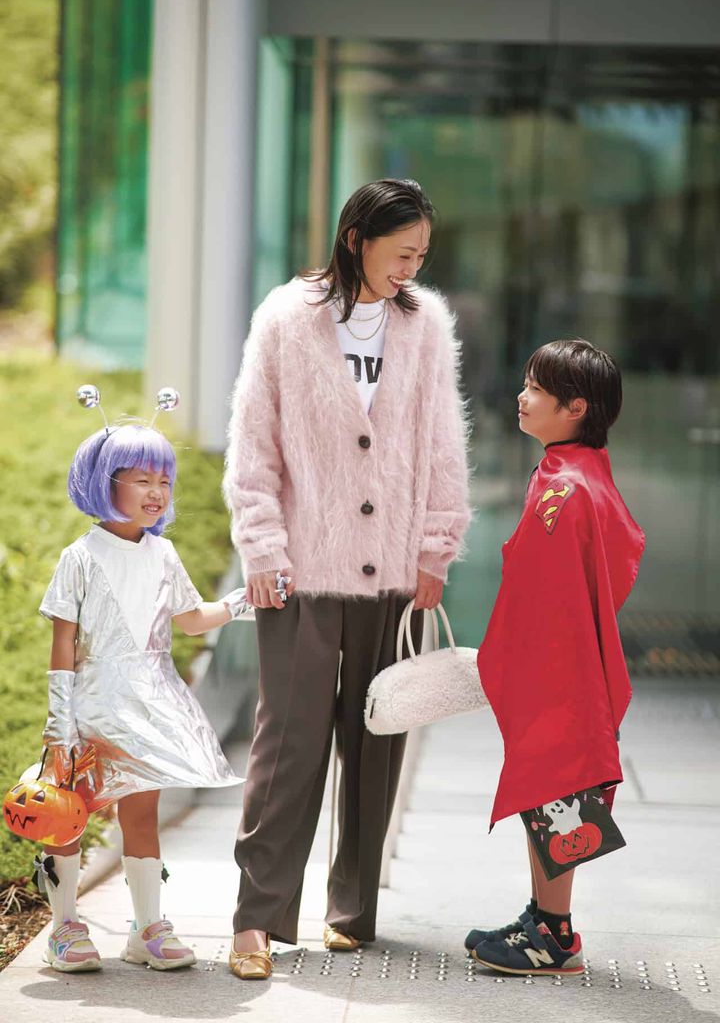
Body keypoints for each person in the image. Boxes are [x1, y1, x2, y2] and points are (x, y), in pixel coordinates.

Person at [223, 178, 471, 979]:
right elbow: (253, 445)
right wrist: (263, 551)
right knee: (287, 743)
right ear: (357, 238)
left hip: (394, 570)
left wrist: (435, 548)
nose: (411, 269)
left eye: (422, 257)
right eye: (402, 253)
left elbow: (442, 442)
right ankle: (256, 919)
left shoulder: (424, 325)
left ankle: (352, 912)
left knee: (377, 738)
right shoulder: (286, 318)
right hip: (302, 569)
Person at [36, 419, 246, 973]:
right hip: (90, 706)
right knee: (67, 815)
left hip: (148, 706)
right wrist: (60, 725)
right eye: (142, 480)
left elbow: (192, 619)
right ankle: (64, 928)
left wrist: (242, 601)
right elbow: (63, 645)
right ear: (105, 483)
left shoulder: (163, 554)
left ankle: (147, 927)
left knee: (143, 815)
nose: (157, 493)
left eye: (165, 482)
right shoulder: (80, 557)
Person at [468, 339, 645, 977]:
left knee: (555, 794)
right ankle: (543, 918)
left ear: (576, 408)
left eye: (537, 390)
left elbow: (544, 592)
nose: (522, 397)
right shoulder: (579, 472)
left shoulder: (564, 489)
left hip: (560, 668)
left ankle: (554, 937)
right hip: (568, 665)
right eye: (526, 383)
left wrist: (520, 663)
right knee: (547, 794)